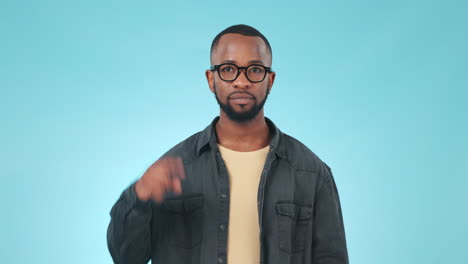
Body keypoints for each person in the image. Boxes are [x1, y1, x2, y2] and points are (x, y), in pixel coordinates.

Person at [107, 24, 349, 264]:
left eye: (254, 70)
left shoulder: (311, 172)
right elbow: (126, 257)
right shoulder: (175, 169)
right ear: (211, 79)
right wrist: (138, 197)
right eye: (228, 69)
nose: (241, 82)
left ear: (270, 80)